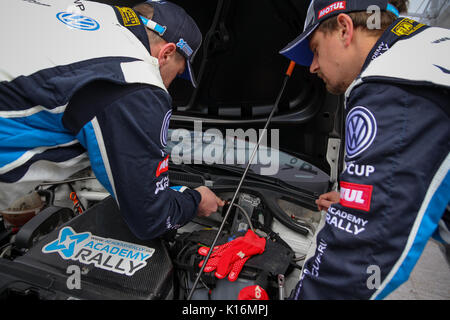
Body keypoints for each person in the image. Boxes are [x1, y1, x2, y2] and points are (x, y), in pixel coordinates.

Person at [0, 0, 224, 239]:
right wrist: (195, 199)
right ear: (167, 53)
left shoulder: (87, 12)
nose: (169, 86)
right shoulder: (134, 80)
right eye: (177, 75)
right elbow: (150, 217)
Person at [280, 0, 449, 299]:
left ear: (344, 29)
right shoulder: (425, 51)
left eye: (316, 49)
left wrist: (361, 213)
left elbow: (358, 260)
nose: (313, 66)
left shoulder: (397, 80)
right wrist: (357, 199)